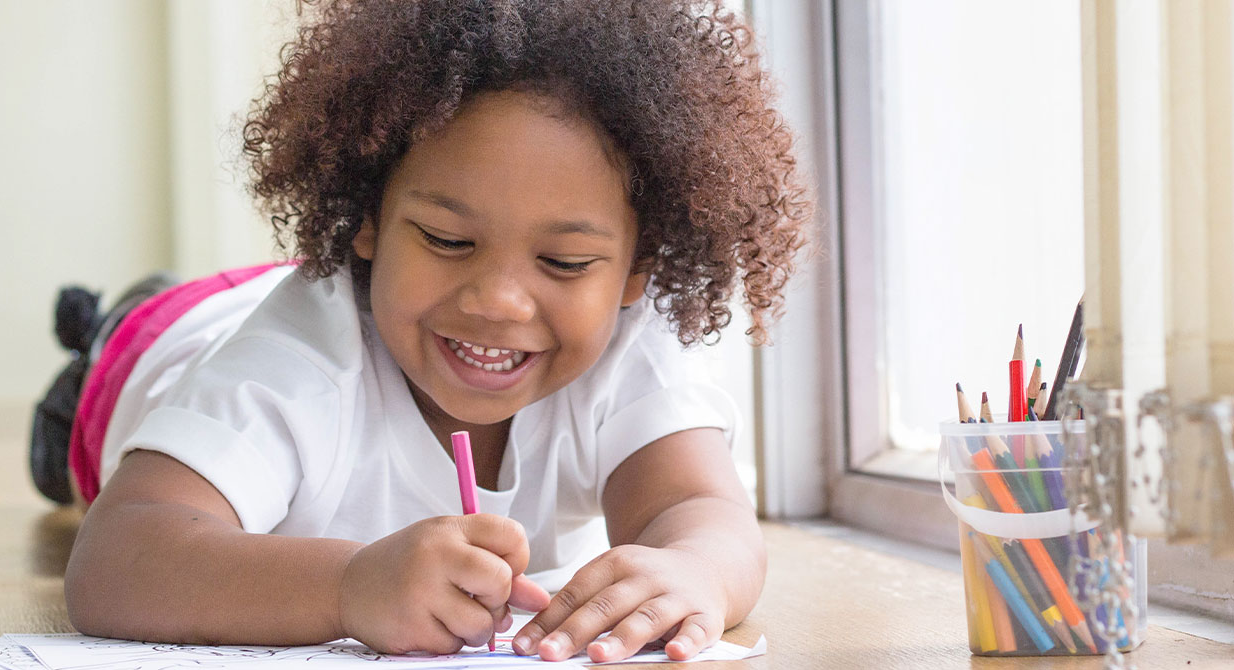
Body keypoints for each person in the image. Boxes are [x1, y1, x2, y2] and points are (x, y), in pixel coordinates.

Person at [44, 0, 810, 663]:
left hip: (332, 295)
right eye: (447, 241)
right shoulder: (291, 367)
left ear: (635, 271)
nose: (501, 301)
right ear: (369, 219)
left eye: (565, 261)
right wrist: (347, 588)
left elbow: (704, 514)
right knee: (92, 387)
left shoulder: (628, 347)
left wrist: (697, 571)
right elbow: (114, 561)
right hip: (164, 348)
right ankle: (100, 327)